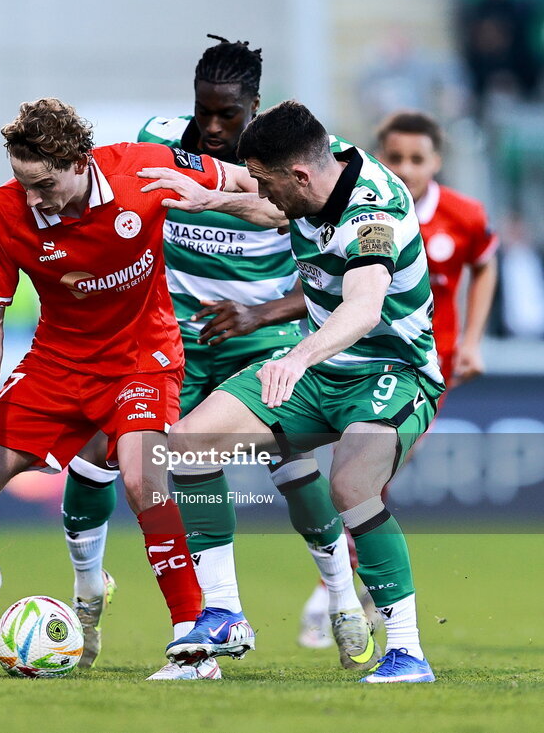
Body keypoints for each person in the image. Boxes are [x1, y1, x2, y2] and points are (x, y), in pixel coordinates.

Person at [0, 98, 279, 680]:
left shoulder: (145, 169)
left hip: (140, 359)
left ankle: (193, 646)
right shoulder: (3, 213)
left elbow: (254, 182)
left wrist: (259, 204)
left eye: (43, 184)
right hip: (56, 365)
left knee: (142, 479)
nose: (32, 198)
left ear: (80, 162)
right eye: (23, 183)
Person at [58, 36, 373, 678]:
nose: (211, 127)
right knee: (101, 448)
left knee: (289, 459)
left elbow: (289, 232)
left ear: (254, 107)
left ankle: (342, 599)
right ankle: (97, 595)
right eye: (203, 111)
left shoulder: (295, 159)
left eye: (228, 115)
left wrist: (256, 307)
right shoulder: (160, 137)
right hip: (170, 331)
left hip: (260, 332)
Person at [150, 100, 444, 683]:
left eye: (268, 183)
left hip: (393, 372)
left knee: (352, 485)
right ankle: (224, 612)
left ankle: (408, 651)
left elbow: (361, 309)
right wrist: (211, 197)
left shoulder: (372, 216)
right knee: (185, 445)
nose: (264, 193)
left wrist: (298, 354)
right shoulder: (315, 163)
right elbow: (267, 205)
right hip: (321, 367)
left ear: (299, 176)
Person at [297, 111, 499, 643]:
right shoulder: (365, 208)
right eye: (396, 157)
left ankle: (339, 593)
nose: (406, 169)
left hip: (418, 366)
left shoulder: (463, 215)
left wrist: (473, 340)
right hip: (346, 361)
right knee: (352, 479)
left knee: (365, 479)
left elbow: (485, 262)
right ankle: (347, 591)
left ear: (437, 161)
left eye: (418, 159)